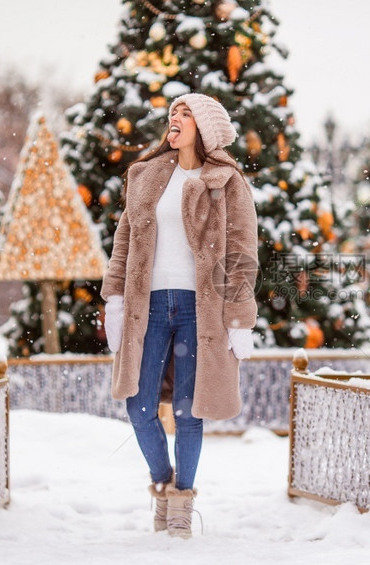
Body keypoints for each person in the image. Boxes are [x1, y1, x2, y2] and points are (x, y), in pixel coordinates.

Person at [101, 93, 258, 538]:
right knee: (139, 404)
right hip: (146, 306)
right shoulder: (144, 175)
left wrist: (240, 316)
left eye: (186, 113)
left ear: (205, 128)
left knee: (191, 411)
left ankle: (182, 502)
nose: (175, 117)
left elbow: (242, 254)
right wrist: (114, 298)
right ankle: (163, 482)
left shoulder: (226, 182)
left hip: (199, 309)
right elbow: (124, 244)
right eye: (173, 112)